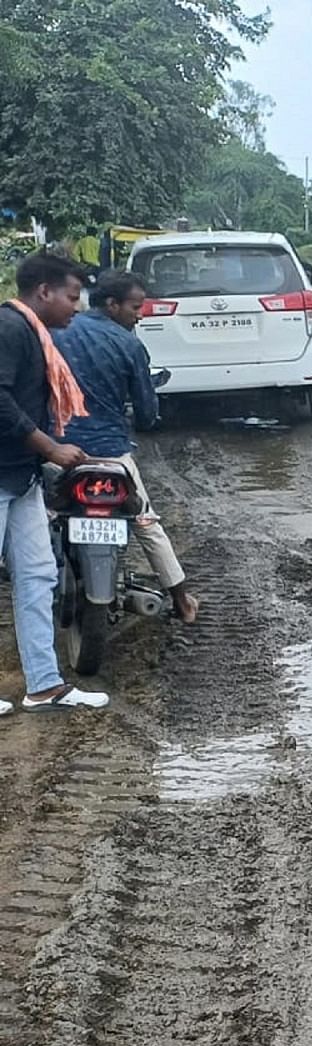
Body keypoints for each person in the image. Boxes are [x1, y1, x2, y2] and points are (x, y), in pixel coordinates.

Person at [53, 271, 199, 624]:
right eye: (136, 307)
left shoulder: (55, 333)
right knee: (146, 522)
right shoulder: (130, 346)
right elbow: (148, 415)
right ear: (112, 304)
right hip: (111, 453)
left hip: (56, 449)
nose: (141, 314)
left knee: (43, 519)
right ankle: (181, 599)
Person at [0, 253, 110, 713]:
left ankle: (44, 685)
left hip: (20, 477)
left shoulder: (34, 334)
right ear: (43, 292)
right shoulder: (9, 329)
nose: (77, 306)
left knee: (40, 575)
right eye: (71, 296)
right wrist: (49, 447)